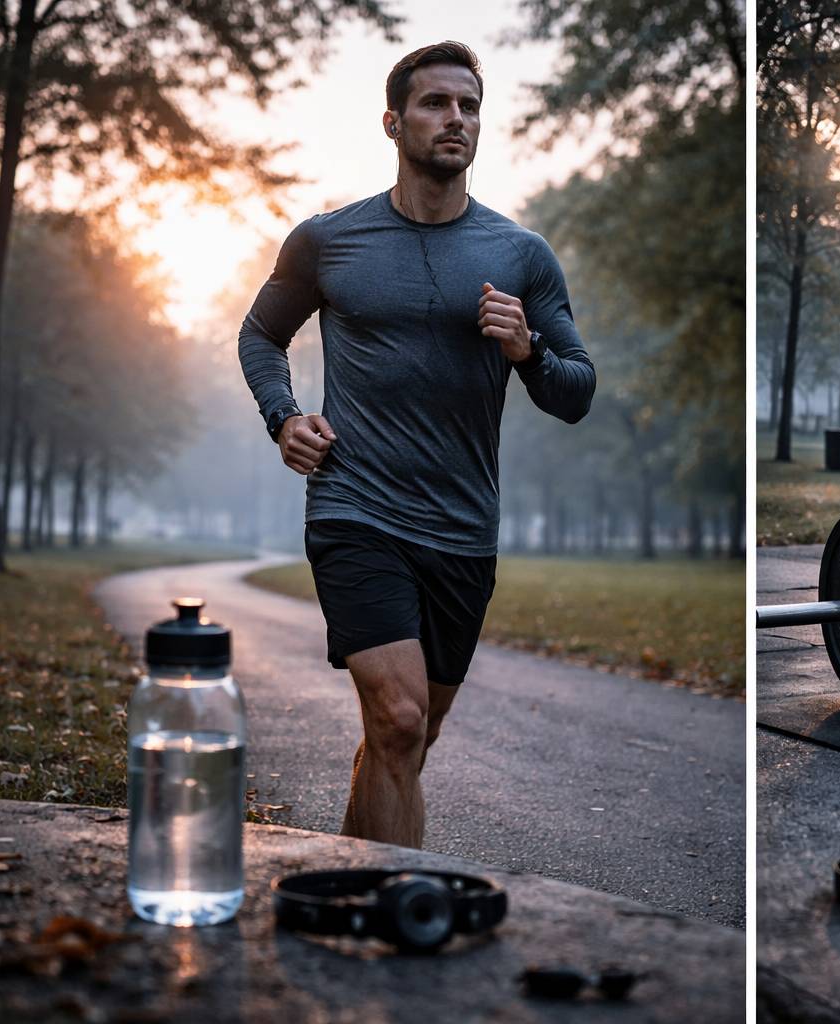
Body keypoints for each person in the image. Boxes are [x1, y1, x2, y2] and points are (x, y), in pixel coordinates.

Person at [237, 41, 595, 847]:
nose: (456, 119)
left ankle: (344, 885)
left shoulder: (520, 255)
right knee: (398, 719)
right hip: (355, 507)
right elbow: (261, 336)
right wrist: (283, 415)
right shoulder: (329, 240)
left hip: (463, 530)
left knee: (408, 739)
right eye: (436, 103)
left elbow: (577, 390)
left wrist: (527, 348)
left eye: (469, 106)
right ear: (394, 122)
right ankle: (393, 935)